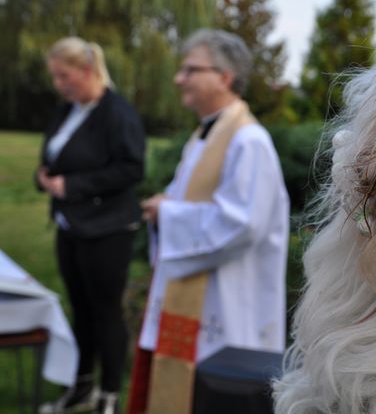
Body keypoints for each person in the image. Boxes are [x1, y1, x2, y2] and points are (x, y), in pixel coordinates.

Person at [127, 29, 289, 414]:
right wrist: (164, 208)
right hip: (198, 296)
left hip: (227, 305)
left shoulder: (248, 141)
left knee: (214, 398)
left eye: (190, 69)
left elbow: (242, 223)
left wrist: (167, 213)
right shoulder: (205, 136)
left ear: (224, 77)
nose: (178, 78)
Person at [36, 36, 145, 414]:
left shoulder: (116, 112)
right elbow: (52, 154)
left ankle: (110, 396)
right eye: (54, 77)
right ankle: (81, 387)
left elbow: (132, 168)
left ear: (86, 70)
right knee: (80, 309)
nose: (59, 85)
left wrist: (74, 186)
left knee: (106, 311)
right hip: (71, 225)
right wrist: (45, 177)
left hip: (108, 228)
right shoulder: (68, 110)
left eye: (63, 75)